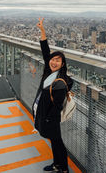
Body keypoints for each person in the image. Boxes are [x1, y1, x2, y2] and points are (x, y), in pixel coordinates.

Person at [32, 18, 73, 173]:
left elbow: (57, 105)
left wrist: (48, 118)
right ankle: (57, 164)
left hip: (51, 116)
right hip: (45, 113)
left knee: (57, 142)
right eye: (53, 60)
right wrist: (42, 31)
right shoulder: (50, 72)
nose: (53, 62)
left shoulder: (60, 81)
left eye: (58, 60)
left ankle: (63, 168)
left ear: (63, 64)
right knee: (54, 141)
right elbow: (45, 51)